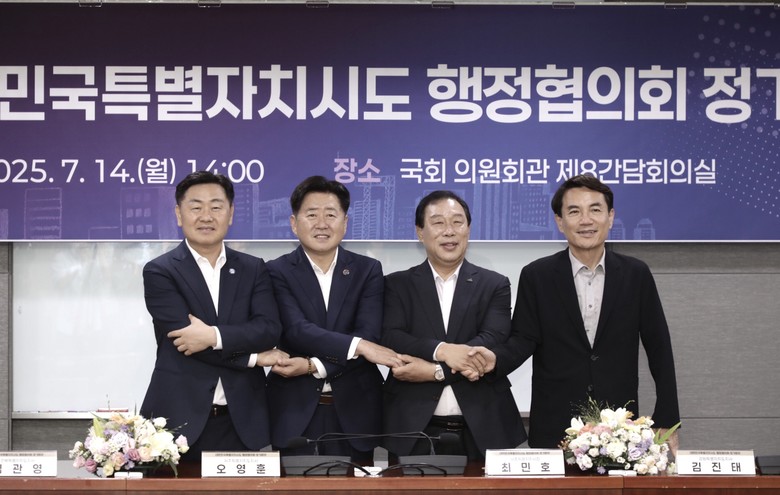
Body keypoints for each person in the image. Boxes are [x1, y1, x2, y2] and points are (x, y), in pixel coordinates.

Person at [494, 174, 680, 450]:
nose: (586, 220)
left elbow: (659, 347)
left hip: (619, 428)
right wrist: (489, 361)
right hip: (555, 425)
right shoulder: (537, 275)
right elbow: (523, 340)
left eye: (595, 210)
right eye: (574, 212)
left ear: (610, 217)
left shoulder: (635, 274)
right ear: (560, 222)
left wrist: (667, 417)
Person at [140, 171, 283, 457]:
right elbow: (185, 343)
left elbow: (268, 330)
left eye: (216, 207)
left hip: (243, 419)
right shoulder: (160, 271)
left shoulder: (253, 268)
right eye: (196, 207)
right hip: (178, 421)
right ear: (179, 214)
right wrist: (254, 358)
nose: (206, 216)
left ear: (230, 214)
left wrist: (212, 336)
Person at [265, 176, 403, 461]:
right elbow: (296, 330)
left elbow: (369, 334)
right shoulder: (275, 271)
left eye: (330, 214)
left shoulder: (368, 270)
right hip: (293, 411)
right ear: (294, 223)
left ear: (345, 222)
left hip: (356, 412)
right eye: (311, 215)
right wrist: (358, 346)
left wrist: (311, 365)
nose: (322, 224)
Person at [381, 190, 527, 460]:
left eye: (457, 222)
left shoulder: (494, 283)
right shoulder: (396, 284)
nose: (449, 231)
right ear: (420, 232)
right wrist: (443, 351)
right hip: (412, 426)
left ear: (468, 229)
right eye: (438, 222)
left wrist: (436, 372)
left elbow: (493, 336)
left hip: (485, 425)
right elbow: (392, 336)